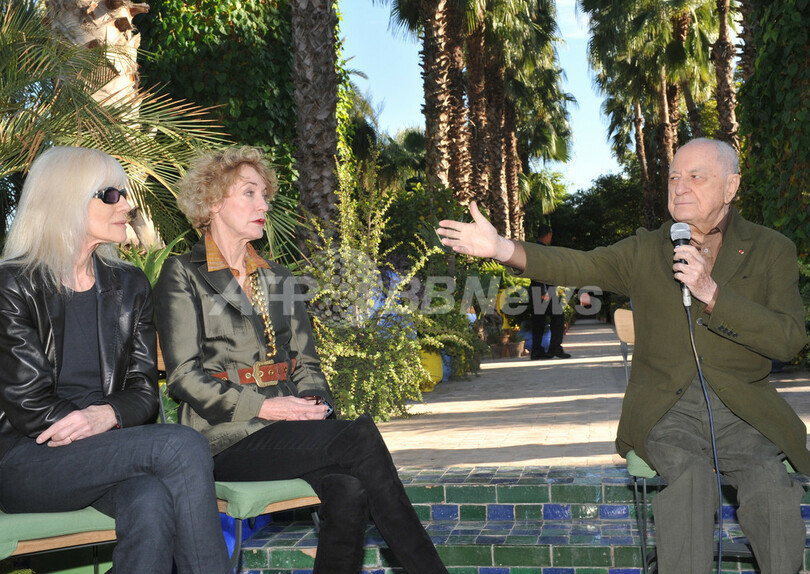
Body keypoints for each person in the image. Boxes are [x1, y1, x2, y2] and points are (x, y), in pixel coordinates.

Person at [437, 138, 809, 573]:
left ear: (731, 187)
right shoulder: (646, 249)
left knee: (770, 486)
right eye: (674, 177)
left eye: (696, 176)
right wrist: (504, 248)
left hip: (743, 409)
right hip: (667, 409)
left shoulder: (770, 248)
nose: (680, 186)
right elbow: (578, 264)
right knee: (690, 483)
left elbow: (788, 339)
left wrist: (712, 294)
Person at [153, 146, 447, 574]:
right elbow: (183, 376)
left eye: (265, 195)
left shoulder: (278, 278)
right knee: (359, 437)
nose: (263, 205)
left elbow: (307, 363)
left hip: (286, 429)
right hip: (222, 438)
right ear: (213, 201)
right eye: (250, 193)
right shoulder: (183, 273)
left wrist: (316, 405)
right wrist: (266, 407)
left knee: (349, 488)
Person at [0, 146, 231, 574]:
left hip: (105, 450)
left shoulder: (130, 285)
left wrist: (105, 415)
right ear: (66, 199)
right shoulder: (12, 284)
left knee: (150, 501)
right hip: (29, 457)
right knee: (180, 445)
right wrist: (94, 422)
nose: (127, 205)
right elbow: (28, 403)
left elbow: (144, 392)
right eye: (111, 194)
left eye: (124, 194)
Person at [528, 224, 570, 359]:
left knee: (539, 321)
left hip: (538, 289)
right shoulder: (542, 251)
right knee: (558, 316)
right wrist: (544, 291)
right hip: (543, 290)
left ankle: (537, 351)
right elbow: (539, 272)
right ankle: (554, 348)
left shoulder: (534, 249)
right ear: (548, 235)